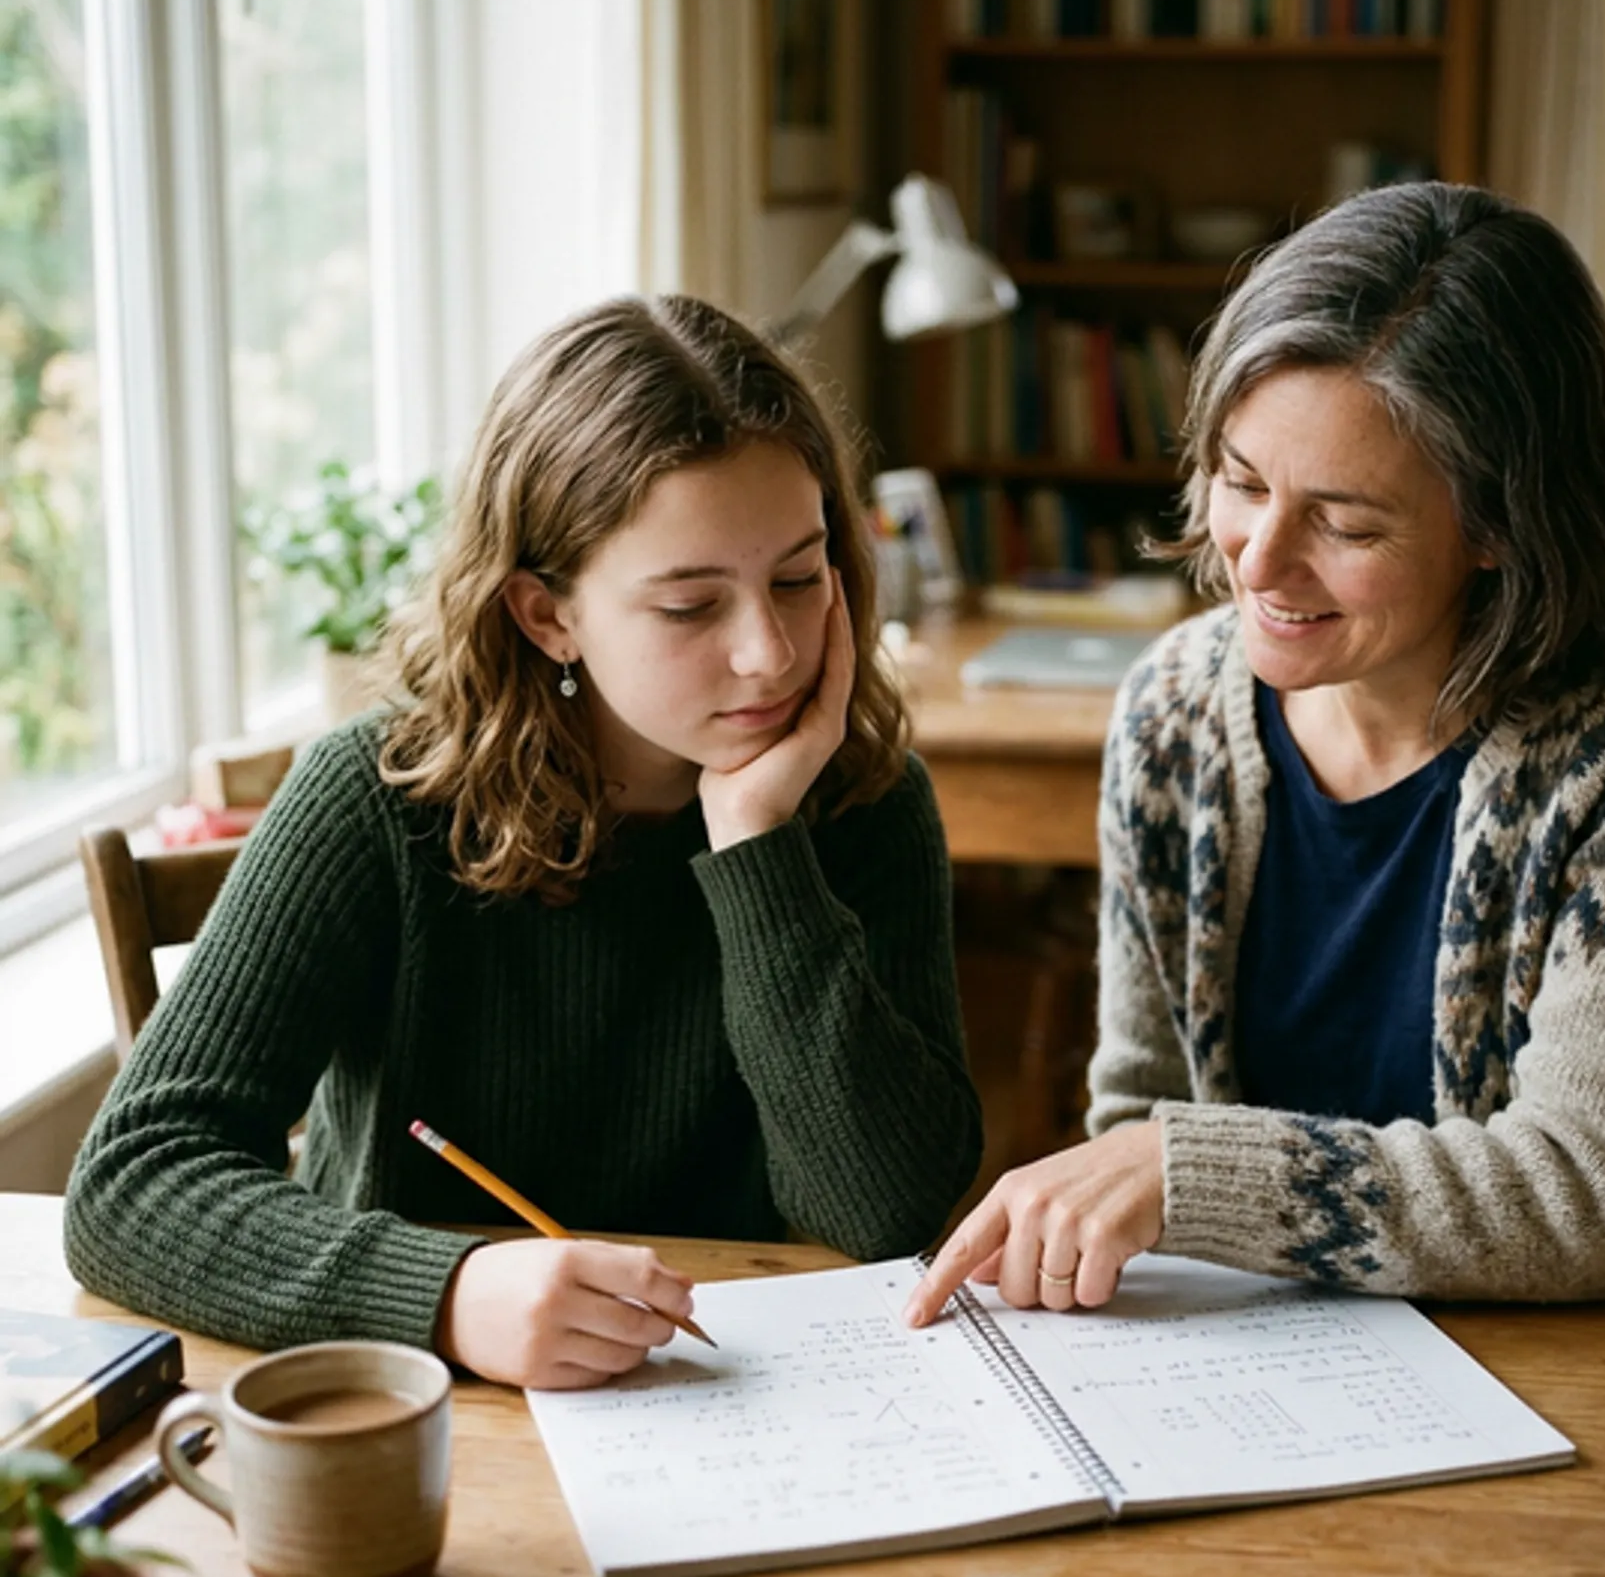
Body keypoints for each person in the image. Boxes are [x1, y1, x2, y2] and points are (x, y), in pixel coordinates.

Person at [906, 182, 1605, 1329]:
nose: (1257, 561)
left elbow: (1588, 1197)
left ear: (1503, 525)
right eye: (1242, 482)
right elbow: (1142, 1115)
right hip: (1333, 1374)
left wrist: (1197, 1174)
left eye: (1346, 525)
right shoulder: (1174, 714)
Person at [67, 295, 982, 1388]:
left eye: (797, 578)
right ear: (547, 615)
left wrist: (758, 851)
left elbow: (886, 1213)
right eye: (691, 608)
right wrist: (447, 1293)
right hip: (428, 1410)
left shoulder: (865, 804)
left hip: (746, 1396)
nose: (770, 655)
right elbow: (132, 1181)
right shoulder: (376, 796)